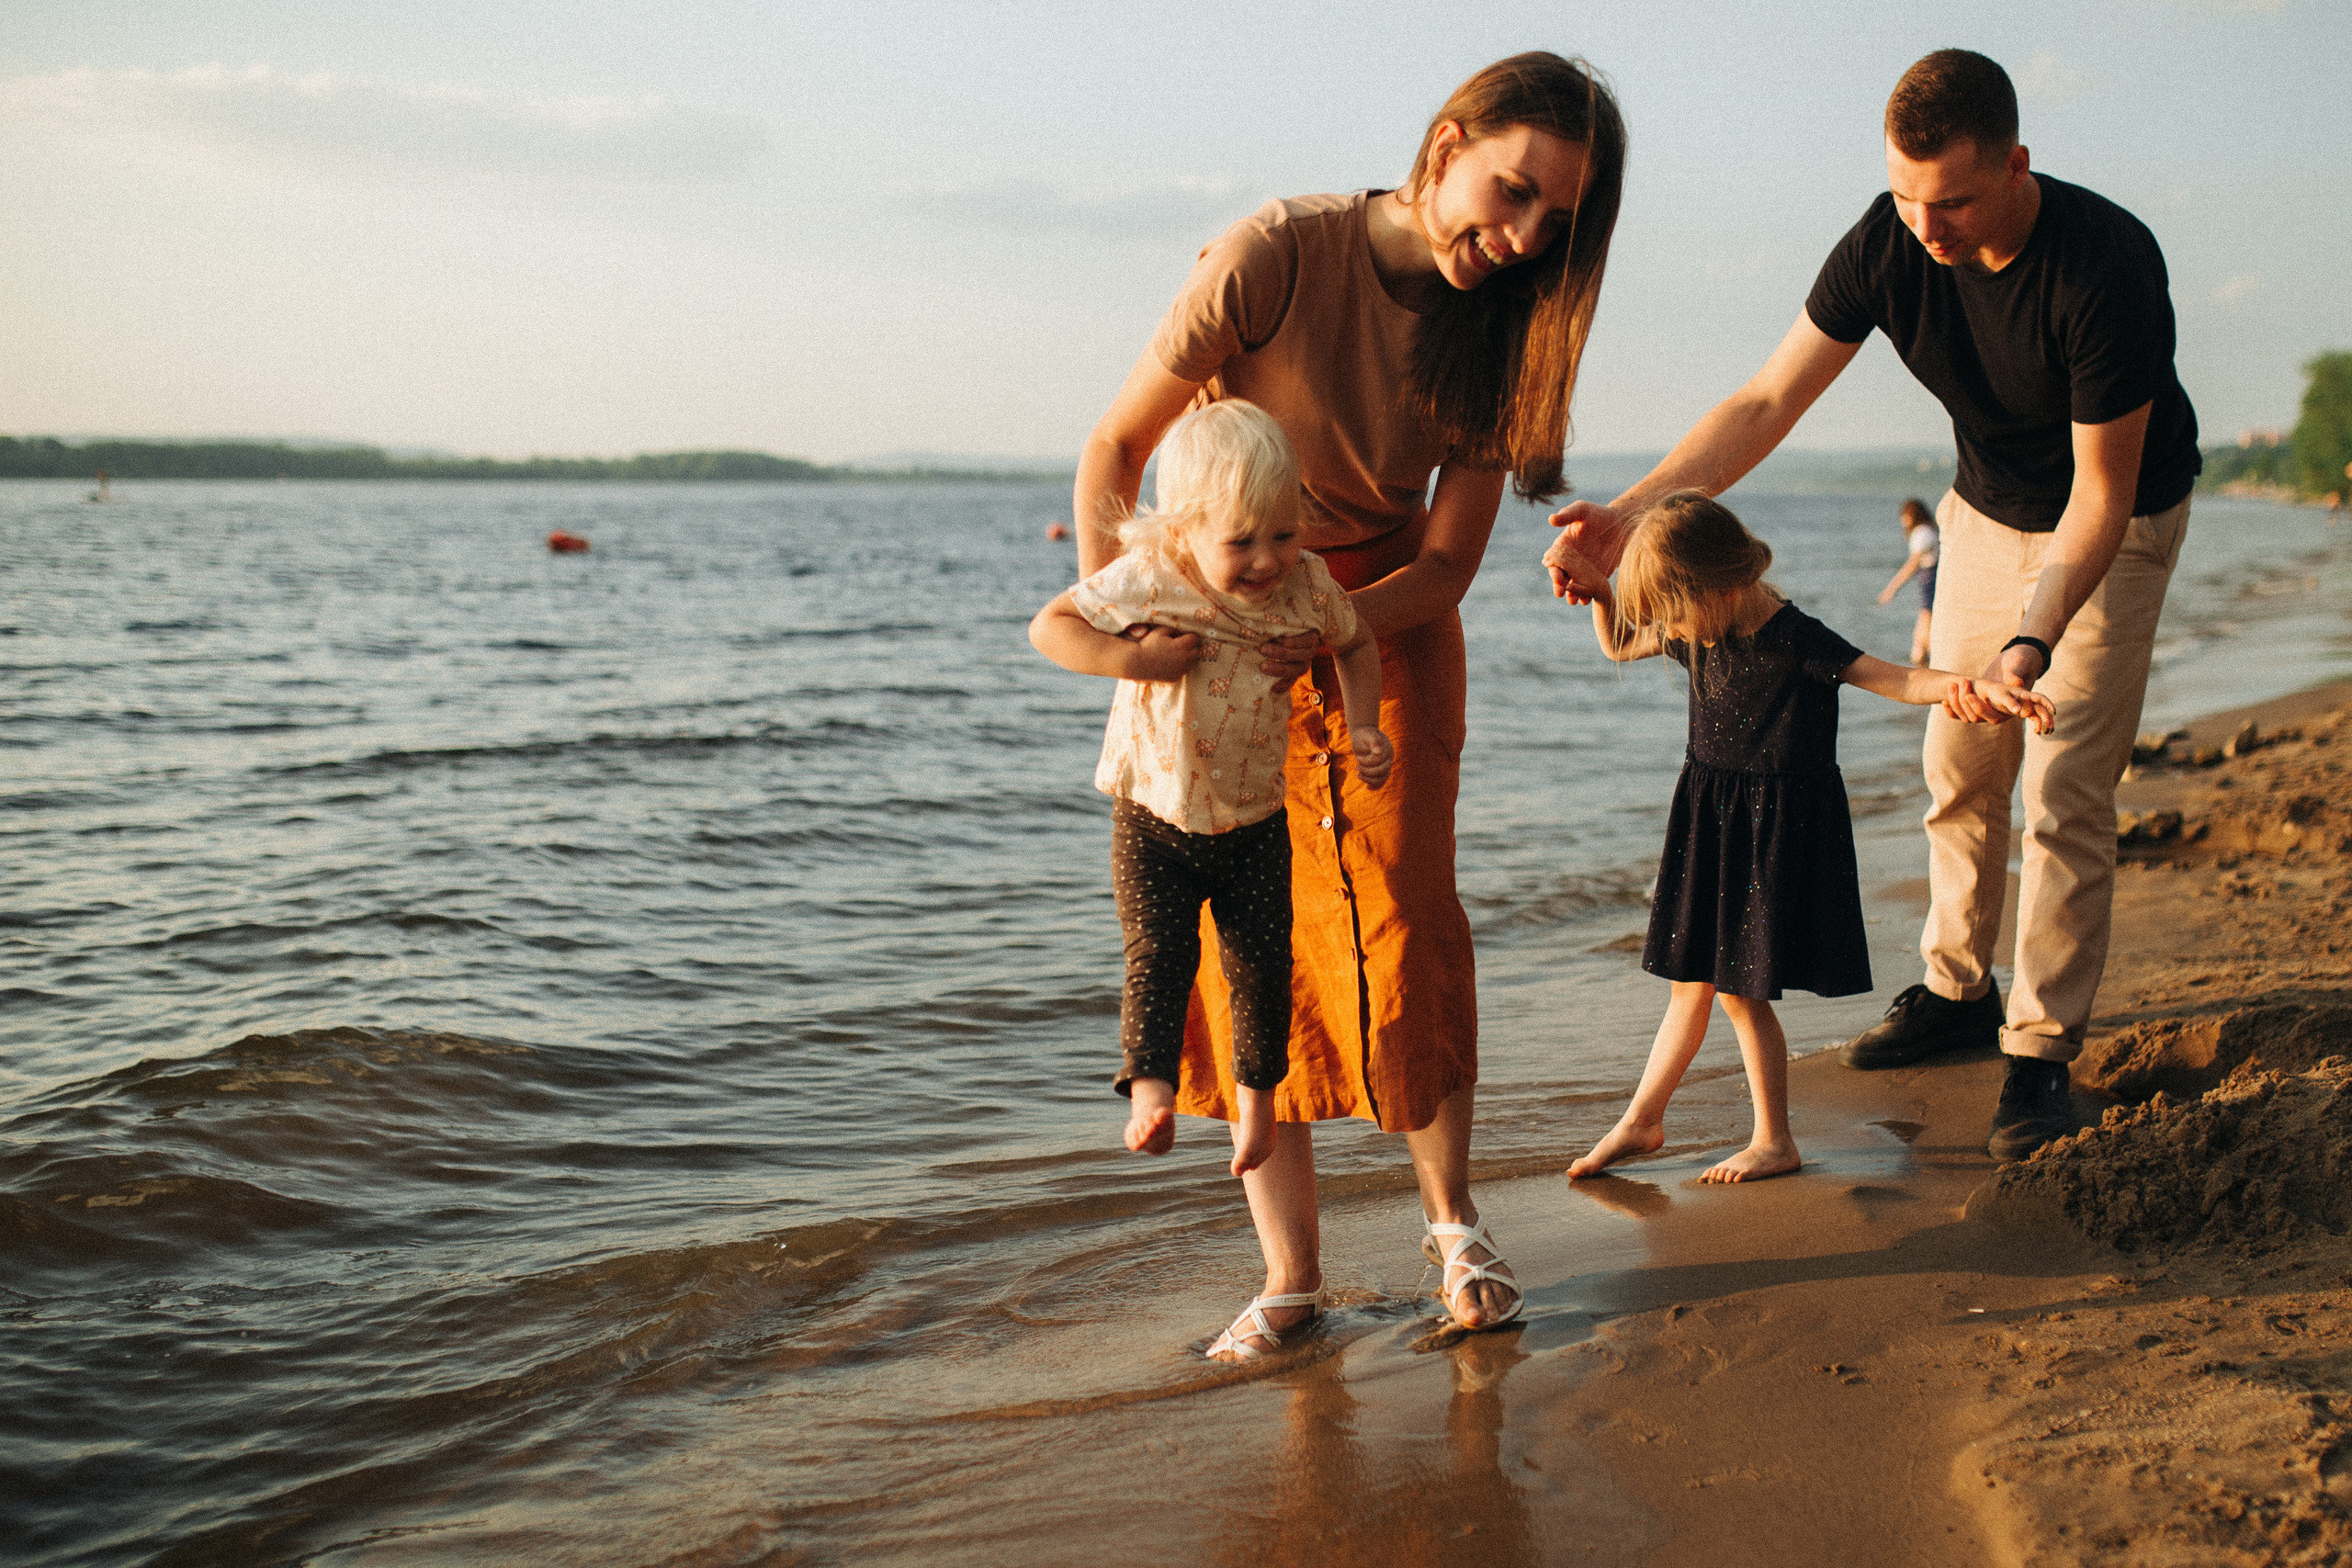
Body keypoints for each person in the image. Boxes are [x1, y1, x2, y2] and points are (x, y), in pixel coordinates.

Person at [1544, 50, 2199, 1162]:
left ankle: (2037, 1055)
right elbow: (1766, 399)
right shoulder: (1886, 240)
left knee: (2062, 788)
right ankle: (1956, 989)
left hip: (2115, 524)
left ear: (2015, 166)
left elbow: (2099, 496)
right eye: (1904, 196)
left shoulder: (2103, 266)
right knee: (1958, 766)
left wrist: (2031, 641)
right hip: (1984, 512)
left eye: (1948, 200)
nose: (1925, 227)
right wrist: (1632, 514)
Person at [1073, 51, 1627, 1355]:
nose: (1524, 235)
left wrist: (1319, 629)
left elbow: (1443, 564)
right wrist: (1131, 612)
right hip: (1223, 615)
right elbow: (1116, 448)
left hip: (1388, 627)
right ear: (1444, 149)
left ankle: (1454, 1228)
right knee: (1238, 931)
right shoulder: (1277, 252)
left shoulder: (1508, 327)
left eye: (1557, 221)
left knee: (1403, 910)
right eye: (1512, 191)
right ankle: (1292, 1279)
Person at [1563, 492, 2051, 1184]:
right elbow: (1617, 642)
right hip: (1713, 823)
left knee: (1737, 991)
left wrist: (1981, 688)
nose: (1674, 631)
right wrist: (1601, 594)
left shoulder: (1797, 640)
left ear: (1723, 587)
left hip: (1770, 836)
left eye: (1678, 612)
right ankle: (1644, 1118)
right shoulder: (1706, 626)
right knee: (1689, 985)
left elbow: (1900, 675)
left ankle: (1773, 1139)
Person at [1029, 401, 1393, 1212]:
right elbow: (1050, 628)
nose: (1267, 559)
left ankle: (1257, 1102)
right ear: (1184, 531)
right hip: (1152, 815)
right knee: (1159, 952)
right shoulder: (1153, 577)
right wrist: (1133, 657)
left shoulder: (1306, 586)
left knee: (1261, 967)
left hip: (1255, 820)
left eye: (1284, 534)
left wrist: (1363, 724)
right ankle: (1151, 1087)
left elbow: (1357, 641)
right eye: (1241, 540)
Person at [1876, 496, 1939, 663]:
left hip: (1930, 581)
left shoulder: (1922, 533)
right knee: (1924, 626)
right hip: (1930, 579)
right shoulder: (1929, 530)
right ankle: (1921, 660)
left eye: (1904, 516)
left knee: (1925, 625)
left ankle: (1923, 662)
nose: (1903, 520)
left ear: (1912, 515)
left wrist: (1891, 589)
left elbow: (1911, 565)